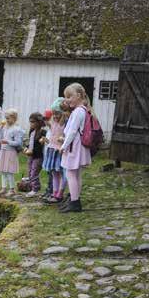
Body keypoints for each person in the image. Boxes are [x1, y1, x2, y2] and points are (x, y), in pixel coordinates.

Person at [60, 83, 93, 213]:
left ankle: (74, 202)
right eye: (66, 97)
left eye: (69, 96)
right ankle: (74, 198)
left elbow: (72, 132)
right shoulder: (82, 110)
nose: (67, 100)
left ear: (78, 96)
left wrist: (63, 146)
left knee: (70, 173)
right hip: (77, 145)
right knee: (76, 174)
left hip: (74, 146)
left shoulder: (79, 111)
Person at [0, 109, 23, 197]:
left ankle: (12, 189)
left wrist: (8, 142)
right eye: (6, 118)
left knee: (9, 171)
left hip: (10, 152)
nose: (6, 120)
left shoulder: (16, 129)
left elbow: (18, 142)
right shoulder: (5, 127)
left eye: (8, 118)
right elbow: (0, 138)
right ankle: (4, 188)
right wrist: (0, 129)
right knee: (3, 170)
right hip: (3, 151)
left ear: (14, 118)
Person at [43, 107, 65, 204]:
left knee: (59, 173)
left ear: (62, 115)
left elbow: (66, 136)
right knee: (53, 173)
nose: (55, 116)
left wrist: (62, 139)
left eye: (58, 114)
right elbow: (45, 120)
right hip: (51, 150)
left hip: (58, 150)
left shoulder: (63, 125)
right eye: (54, 114)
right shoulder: (52, 123)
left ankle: (59, 194)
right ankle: (54, 193)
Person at [24, 112, 46, 197]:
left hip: (38, 156)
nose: (31, 124)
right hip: (31, 155)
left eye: (33, 122)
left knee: (34, 172)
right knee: (29, 171)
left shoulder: (43, 132)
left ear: (39, 122)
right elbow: (31, 142)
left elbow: (41, 145)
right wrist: (27, 147)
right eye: (30, 122)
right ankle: (31, 186)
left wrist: (32, 151)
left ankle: (35, 189)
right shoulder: (31, 131)